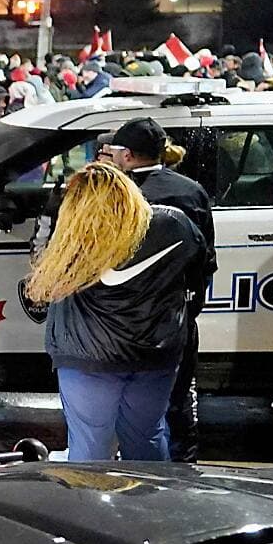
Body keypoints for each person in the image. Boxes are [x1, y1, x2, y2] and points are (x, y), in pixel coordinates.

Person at [21, 162, 206, 462]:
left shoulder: (77, 237)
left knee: (90, 448)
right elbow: (198, 276)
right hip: (155, 356)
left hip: (87, 359)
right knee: (147, 437)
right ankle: (150, 493)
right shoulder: (174, 224)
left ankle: (94, 494)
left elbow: (42, 282)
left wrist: (46, 219)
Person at [97, 117, 216, 461]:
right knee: (178, 400)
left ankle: (127, 474)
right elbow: (205, 261)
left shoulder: (116, 193)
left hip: (122, 323)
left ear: (127, 155)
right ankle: (183, 472)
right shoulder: (191, 191)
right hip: (173, 318)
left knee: (125, 408)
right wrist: (187, 309)